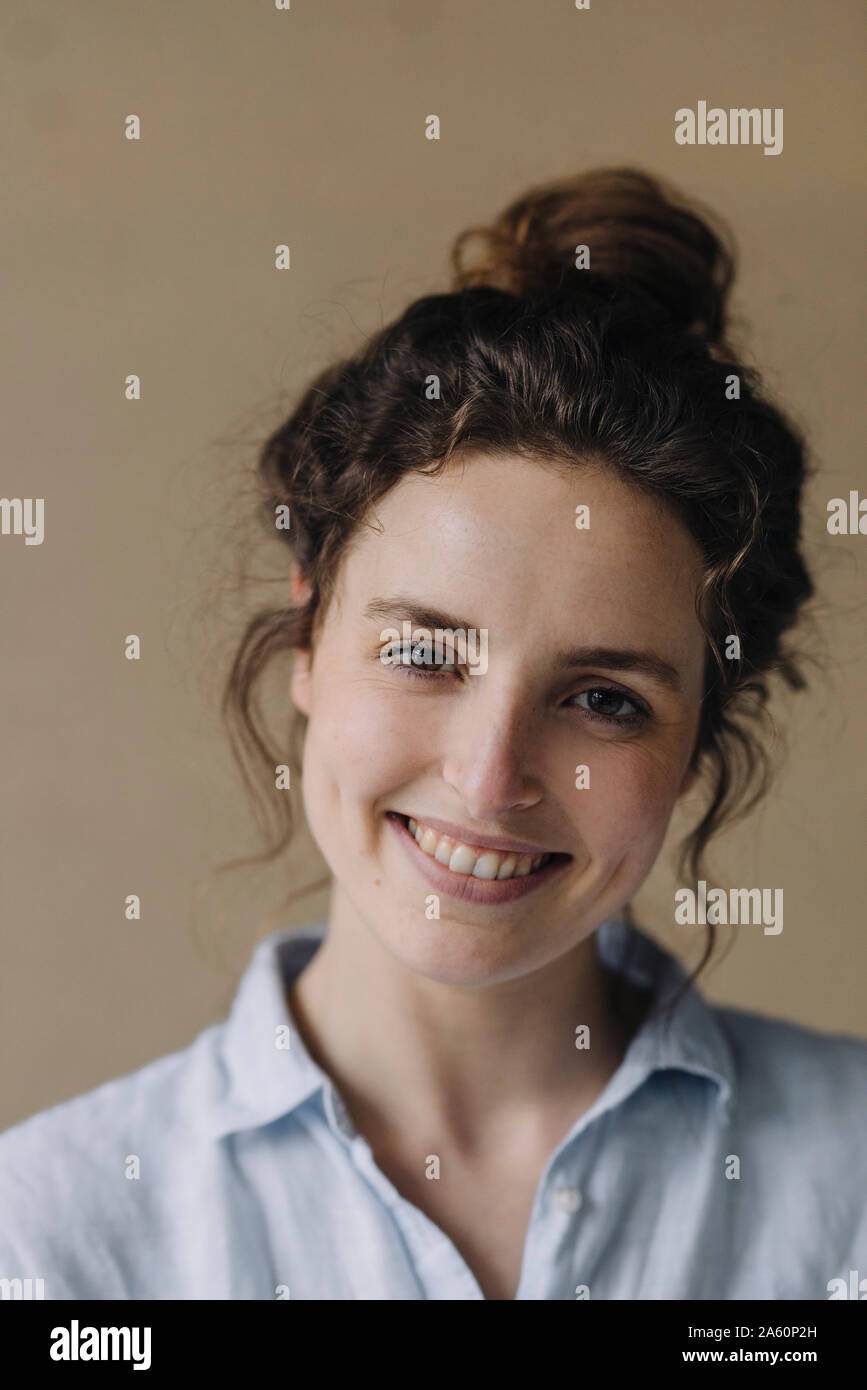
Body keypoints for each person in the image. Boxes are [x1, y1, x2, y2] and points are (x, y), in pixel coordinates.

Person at [1, 167, 864, 1302]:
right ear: (309, 632)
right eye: (423, 654)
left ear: (703, 732)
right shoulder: (51, 1242)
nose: (489, 773)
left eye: (604, 697)